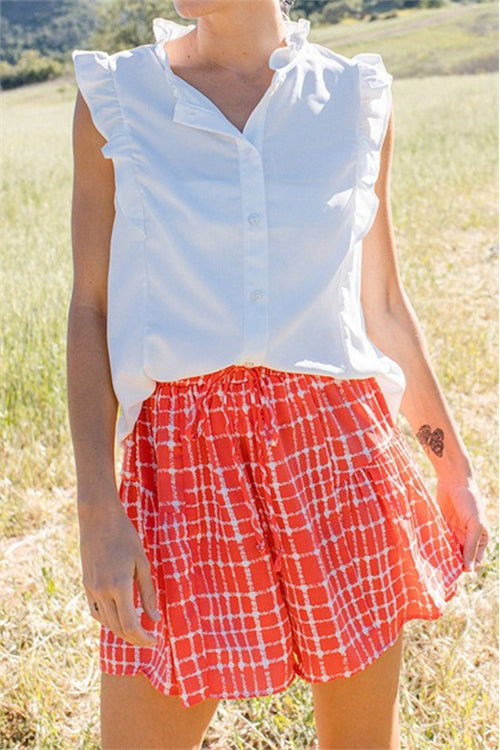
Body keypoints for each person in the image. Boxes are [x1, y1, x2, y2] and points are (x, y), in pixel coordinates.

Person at [67, 0, 490, 748]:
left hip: (338, 454)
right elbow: (91, 310)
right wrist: (98, 508)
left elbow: (383, 304)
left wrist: (450, 463)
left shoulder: (353, 97)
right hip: (187, 468)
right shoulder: (118, 98)